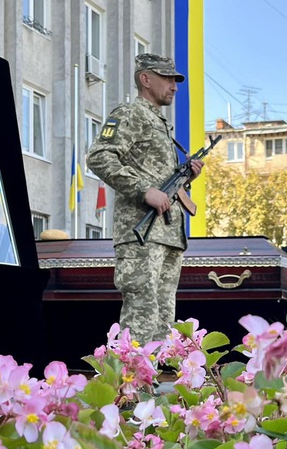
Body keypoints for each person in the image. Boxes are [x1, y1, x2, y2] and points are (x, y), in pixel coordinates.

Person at [87, 53, 204, 344]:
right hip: (141, 233)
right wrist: (143, 190)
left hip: (166, 234)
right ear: (145, 79)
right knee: (141, 317)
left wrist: (186, 178)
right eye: (167, 79)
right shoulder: (130, 113)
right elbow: (99, 157)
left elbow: (156, 176)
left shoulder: (160, 124)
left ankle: (158, 386)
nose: (174, 86)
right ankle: (131, 385)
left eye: (175, 80)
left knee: (164, 322)